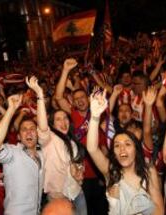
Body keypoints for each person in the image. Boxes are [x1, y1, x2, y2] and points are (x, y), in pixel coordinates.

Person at [86, 90, 164, 215]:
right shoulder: (111, 171)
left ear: (136, 149)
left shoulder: (148, 172)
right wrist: (95, 116)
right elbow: (92, 149)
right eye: (117, 145)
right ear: (114, 153)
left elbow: (159, 210)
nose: (122, 148)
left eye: (127, 144)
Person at [26, 76, 86, 214]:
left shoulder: (73, 142)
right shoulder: (49, 139)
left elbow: (78, 166)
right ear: (52, 124)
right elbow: (42, 127)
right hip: (58, 198)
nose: (63, 121)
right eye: (58, 119)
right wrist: (40, 96)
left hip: (77, 193)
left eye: (65, 118)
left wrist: (79, 173)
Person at [55, 58, 108, 215]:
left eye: (82, 98)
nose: (79, 101)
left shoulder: (98, 113)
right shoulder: (71, 115)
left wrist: (103, 172)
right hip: (79, 175)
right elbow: (58, 97)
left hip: (98, 173)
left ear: (88, 98)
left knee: (102, 210)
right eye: (76, 99)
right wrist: (65, 71)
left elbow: (104, 146)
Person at [0, 94, 44, 215]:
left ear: (38, 134)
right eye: (24, 129)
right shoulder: (13, 153)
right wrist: (11, 109)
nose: (29, 132)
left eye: (32, 128)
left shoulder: (42, 155)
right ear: (18, 136)